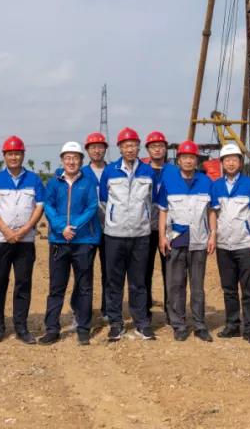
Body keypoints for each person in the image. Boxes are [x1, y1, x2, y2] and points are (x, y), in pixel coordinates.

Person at [0, 135, 45, 344]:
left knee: (23, 284)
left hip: (25, 241)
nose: (14, 157)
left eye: (17, 153)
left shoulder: (34, 180)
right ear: (4, 156)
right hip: (0, 240)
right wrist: (6, 231)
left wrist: (25, 229)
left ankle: (21, 327)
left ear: (23, 155)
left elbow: (39, 207)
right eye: (10, 154)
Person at [99, 127, 157, 341]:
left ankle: (141, 323)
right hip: (114, 236)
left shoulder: (148, 171)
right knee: (113, 281)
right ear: (120, 148)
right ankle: (116, 323)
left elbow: (153, 201)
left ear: (138, 147)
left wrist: (143, 221)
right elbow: (103, 201)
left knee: (138, 281)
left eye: (133, 145)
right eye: (126, 145)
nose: (130, 149)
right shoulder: (110, 171)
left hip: (140, 236)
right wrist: (113, 221)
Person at [40, 142, 101, 345]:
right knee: (56, 287)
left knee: (84, 286)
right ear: (62, 160)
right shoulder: (54, 182)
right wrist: (61, 228)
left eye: (75, 158)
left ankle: (83, 328)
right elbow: (49, 206)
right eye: (68, 158)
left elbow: (92, 206)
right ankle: (52, 329)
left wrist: (73, 227)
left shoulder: (88, 182)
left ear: (81, 161)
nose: (71, 161)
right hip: (59, 241)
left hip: (83, 241)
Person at [157, 140, 215, 342]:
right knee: (176, 285)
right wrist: (161, 237)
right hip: (176, 240)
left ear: (196, 160)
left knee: (197, 286)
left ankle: (199, 324)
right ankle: (179, 324)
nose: (188, 161)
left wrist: (213, 235)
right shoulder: (169, 182)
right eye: (185, 157)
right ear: (179, 160)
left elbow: (211, 211)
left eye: (192, 157)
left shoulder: (206, 182)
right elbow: (163, 211)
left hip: (199, 240)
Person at [210, 143, 250, 345]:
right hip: (224, 246)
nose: (231, 163)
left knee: (248, 289)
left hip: (245, 245)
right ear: (222, 163)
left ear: (240, 162)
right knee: (229, 288)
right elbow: (213, 213)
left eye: (234, 159)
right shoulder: (216, 186)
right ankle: (232, 325)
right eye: (227, 160)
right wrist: (213, 236)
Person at [144, 131, 171, 326]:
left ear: (165, 149)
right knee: (144, 271)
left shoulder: (174, 171)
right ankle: (145, 311)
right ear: (148, 149)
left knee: (170, 272)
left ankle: (171, 311)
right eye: (153, 146)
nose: (157, 149)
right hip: (145, 229)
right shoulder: (142, 171)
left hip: (168, 230)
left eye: (160, 146)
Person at [84, 132, 110, 320]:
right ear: (87, 150)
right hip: (87, 230)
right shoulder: (81, 173)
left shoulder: (114, 171)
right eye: (93, 147)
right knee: (84, 271)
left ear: (105, 149)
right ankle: (83, 310)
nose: (97, 150)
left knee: (109, 272)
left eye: (100, 147)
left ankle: (108, 309)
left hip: (111, 230)